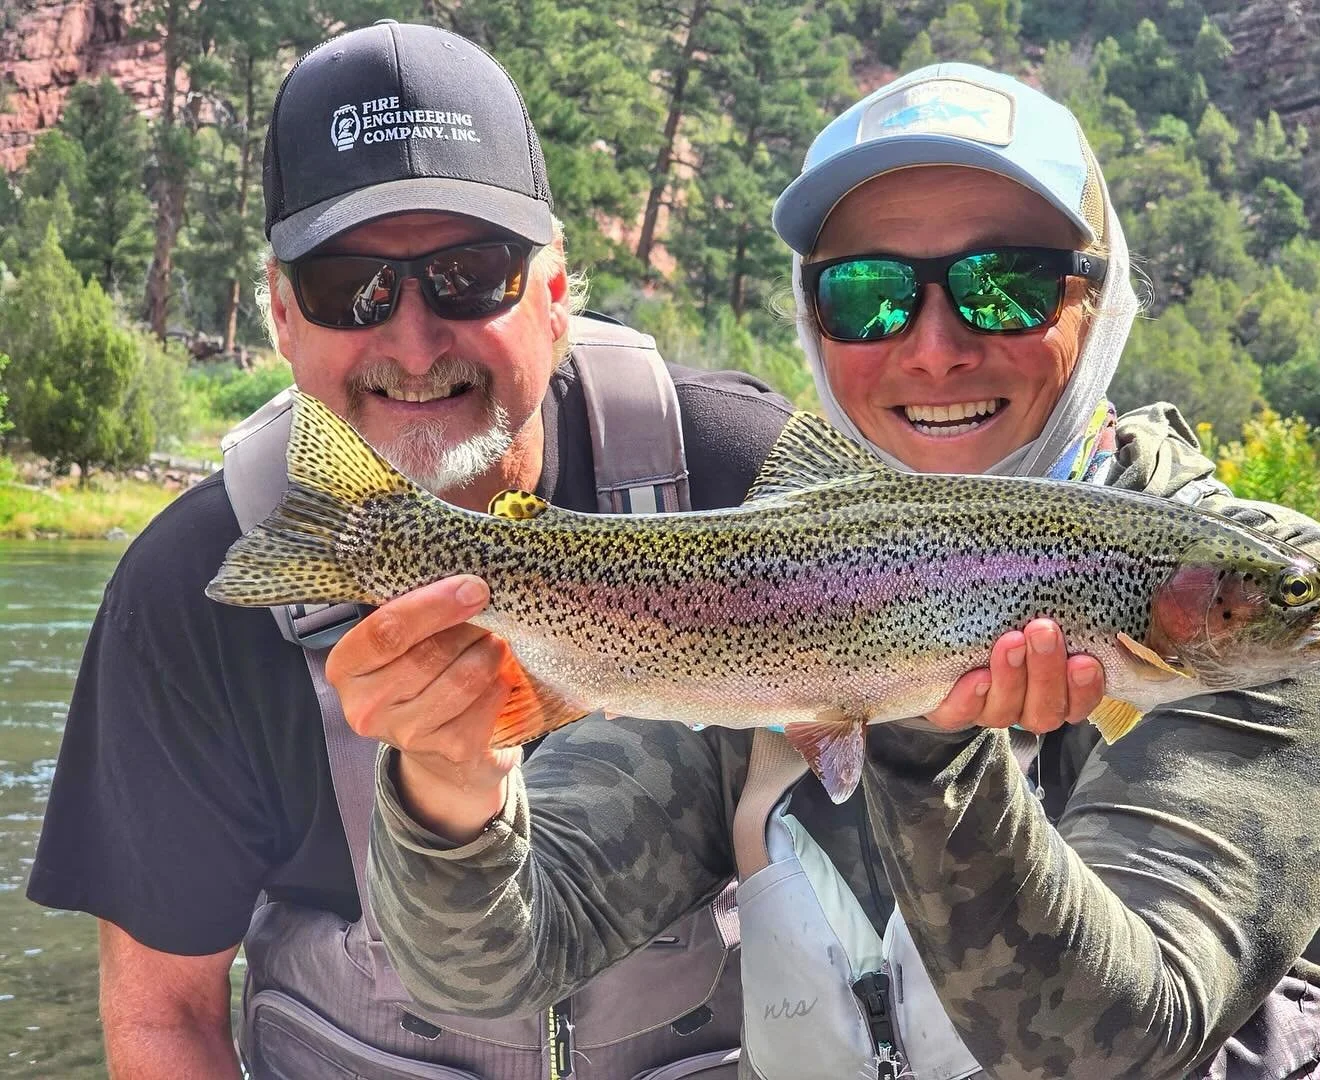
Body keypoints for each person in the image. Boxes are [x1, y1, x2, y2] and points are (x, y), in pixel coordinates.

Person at [364, 64, 1320, 1080]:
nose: (933, 349)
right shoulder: (770, 585)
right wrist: (450, 784)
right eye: (869, 293)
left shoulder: (1275, 609)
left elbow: (1113, 1050)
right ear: (813, 322)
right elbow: (489, 970)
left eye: (1004, 286)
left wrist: (923, 736)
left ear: (1096, 306)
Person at [25, 20, 803, 1079]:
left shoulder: (734, 480)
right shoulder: (192, 588)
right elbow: (166, 1016)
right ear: (282, 317)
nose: (414, 339)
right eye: (354, 287)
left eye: (471, 274)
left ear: (557, 296)